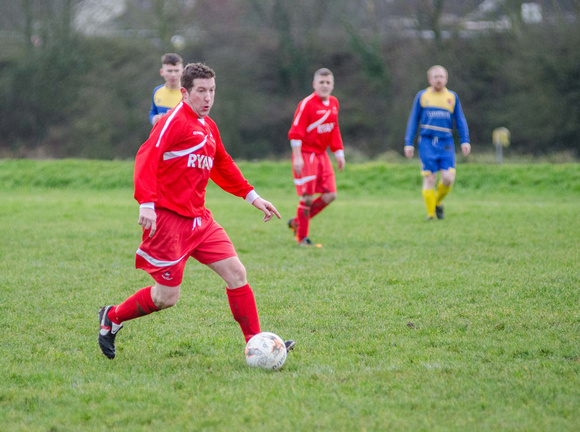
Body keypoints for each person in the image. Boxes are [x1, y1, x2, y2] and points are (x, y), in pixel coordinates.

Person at [98, 62, 295, 360]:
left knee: (236, 273)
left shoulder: (208, 126)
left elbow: (222, 165)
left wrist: (253, 197)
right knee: (167, 297)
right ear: (186, 92)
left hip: (199, 220)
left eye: (212, 91)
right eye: (201, 91)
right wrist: (147, 204)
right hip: (167, 220)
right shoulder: (173, 121)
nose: (208, 98)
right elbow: (146, 157)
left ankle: (256, 343)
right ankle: (112, 317)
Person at [287, 68, 345, 247]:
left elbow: (334, 128)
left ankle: (297, 222)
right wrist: (297, 157)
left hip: (322, 155)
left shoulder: (334, 103)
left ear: (333, 85)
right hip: (306, 155)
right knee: (307, 198)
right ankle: (302, 238)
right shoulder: (307, 104)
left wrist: (339, 152)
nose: (325, 86)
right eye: (321, 82)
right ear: (314, 84)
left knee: (330, 195)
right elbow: (295, 133)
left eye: (328, 83)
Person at [404, 65, 471, 220]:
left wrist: (465, 140)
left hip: (446, 142)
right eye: (435, 77)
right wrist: (409, 143)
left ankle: (438, 201)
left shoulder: (452, 97)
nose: (438, 79)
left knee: (448, 178)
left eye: (441, 76)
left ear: (446, 79)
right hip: (427, 142)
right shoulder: (422, 96)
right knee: (430, 178)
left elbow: (460, 120)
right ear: (430, 79)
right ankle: (431, 214)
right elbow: (413, 120)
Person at [149, 53, 184, 126]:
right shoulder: (157, 91)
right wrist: (154, 119)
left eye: (176, 71)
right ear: (162, 72)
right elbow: (153, 112)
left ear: (182, 72)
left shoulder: (188, 93)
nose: (173, 75)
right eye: (169, 71)